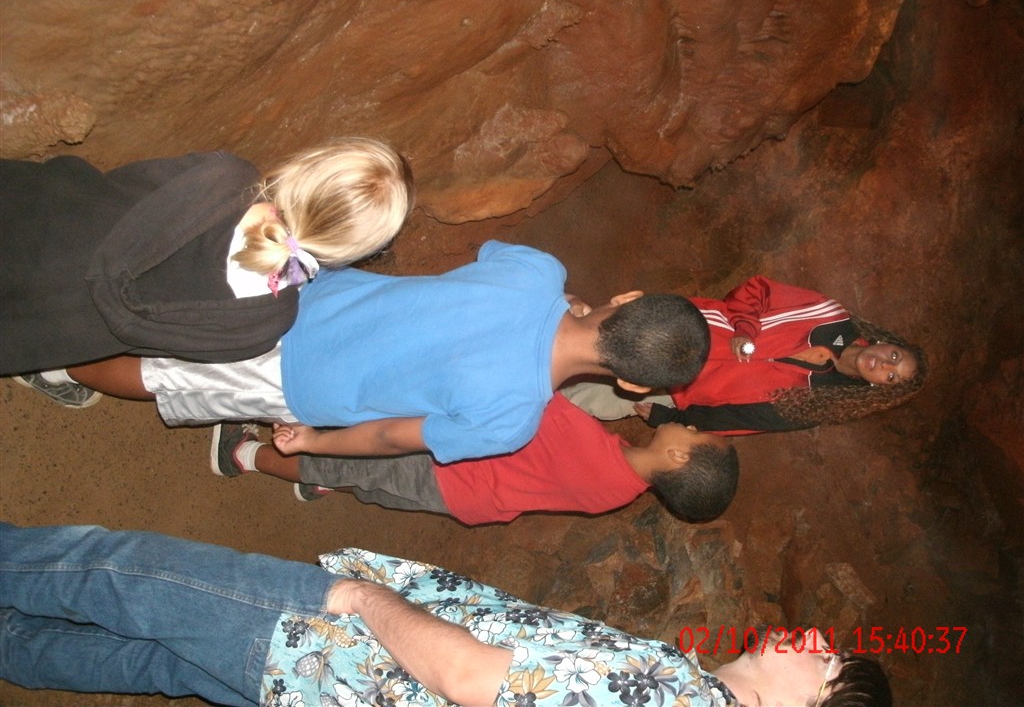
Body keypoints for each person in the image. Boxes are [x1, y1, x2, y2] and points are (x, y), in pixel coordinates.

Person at [0, 522, 892, 707]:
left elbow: (470, 678)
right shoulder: (685, 686)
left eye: (828, 660)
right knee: (148, 663)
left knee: (116, 573)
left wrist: (360, 599)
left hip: (330, 645)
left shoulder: (672, 698)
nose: (816, 639)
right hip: (320, 689)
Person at [68, 241, 711, 464]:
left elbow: (487, 266)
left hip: (308, 297)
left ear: (627, 297)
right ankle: (63, 358)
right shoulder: (510, 422)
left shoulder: (538, 270)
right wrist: (313, 443)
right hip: (300, 384)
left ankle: (69, 316)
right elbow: (389, 436)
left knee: (178, 319)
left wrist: (569, 304)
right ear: (632, 386)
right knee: (162, 377)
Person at [1, 138, 415, 407]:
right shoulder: (264, 323)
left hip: (28, 213)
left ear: (307, 165)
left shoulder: (224, 177)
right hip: (39, 332)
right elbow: (165, 345)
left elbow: (125, 185)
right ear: (355, 252)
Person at [212, 393, 740, 524]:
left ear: (676, 455)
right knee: (372, 482)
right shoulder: (623, 486)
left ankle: (244, 455)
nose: (691, 425)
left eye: (696, 435)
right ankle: (324, 483)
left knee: (344, 459)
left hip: (446, 472)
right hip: (470, 498)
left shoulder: (584, 442)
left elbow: (534, 393)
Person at [563, 275, 927, 435]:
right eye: (894, 356)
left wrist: (670, 418)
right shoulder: (828, 315)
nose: (885, 365)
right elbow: (758, 290)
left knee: (582, 399)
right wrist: (745, 328)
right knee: (583, 339)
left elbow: (740, 420)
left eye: (890, 377)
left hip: (676, 389)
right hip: (677, 328)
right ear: (885, 342)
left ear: (880, 388)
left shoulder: (823, 402)